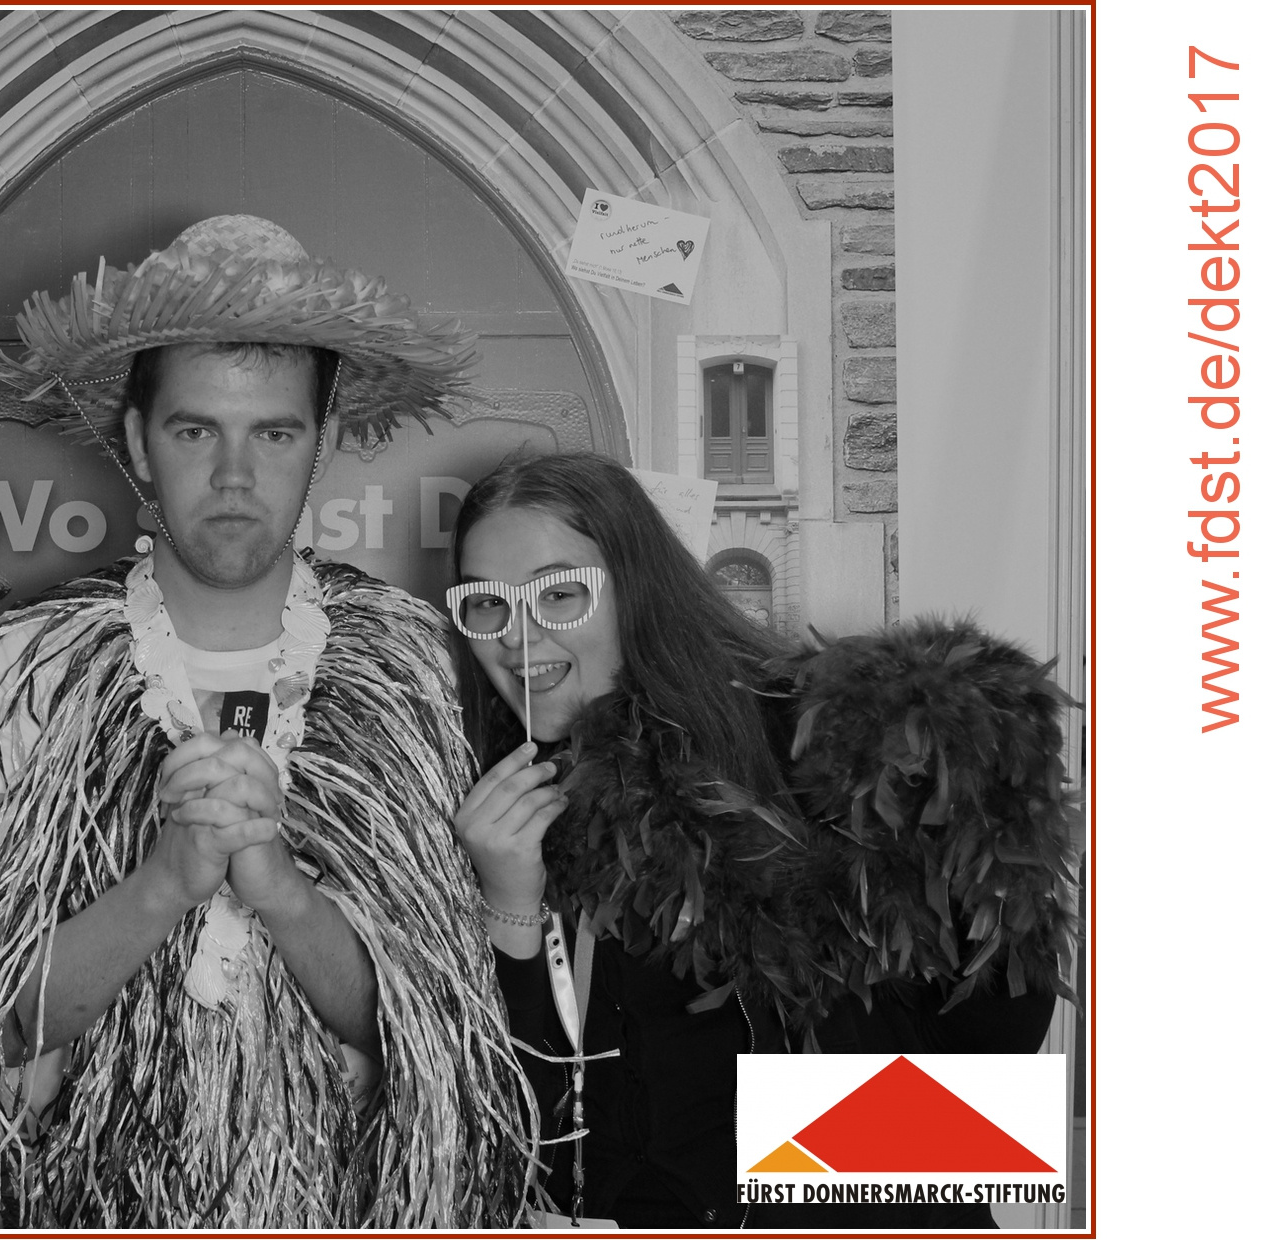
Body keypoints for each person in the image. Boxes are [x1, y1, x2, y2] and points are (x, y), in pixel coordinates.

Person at [0, 216, 530, 1227]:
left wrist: (277, 886)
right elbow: (2, 1018)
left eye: (274, 433)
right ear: (136, 441)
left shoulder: (411, 661)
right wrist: (168, 879)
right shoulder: (26, 664)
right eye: (195, 431)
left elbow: (422, 1025)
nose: (235, 475)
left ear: (321, 442)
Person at [447, 452, 1078, 1229]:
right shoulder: (488, 801)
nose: (517, 636)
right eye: (486, 604)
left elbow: (990, 1071)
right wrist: (509, 909)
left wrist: (981, 819)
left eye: (560, 594)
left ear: (637, 586)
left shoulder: (814, 749)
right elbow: (508, 1139)